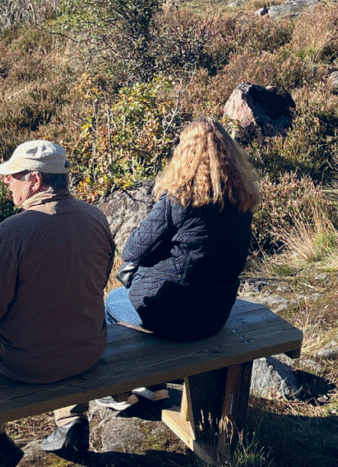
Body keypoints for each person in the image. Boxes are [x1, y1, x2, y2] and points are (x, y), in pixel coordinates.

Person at [0, 140, 115, 467]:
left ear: (35, 180)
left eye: (13, 176)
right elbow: (99, 281)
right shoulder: (95, 217)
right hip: (89, 349)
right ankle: (71, 421)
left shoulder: (11, 232)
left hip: (28, 363)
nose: (7, 181)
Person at [105, 117, 260, 402]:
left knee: (113, 302)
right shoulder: (242, 201)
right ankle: (154, 387)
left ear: (183, 155)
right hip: (216, 314)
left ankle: (120, 391)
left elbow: (132, 251)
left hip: (175, 314)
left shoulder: (178, 199)